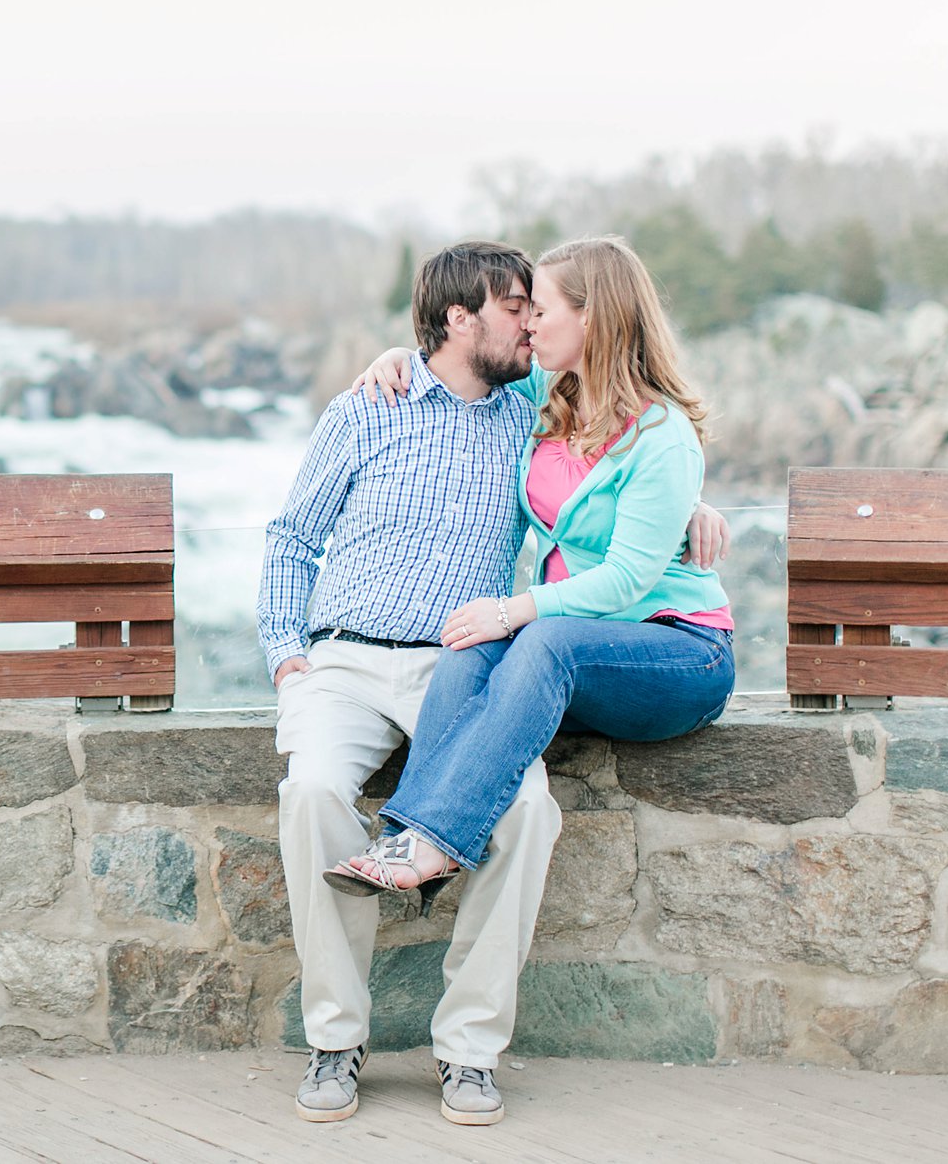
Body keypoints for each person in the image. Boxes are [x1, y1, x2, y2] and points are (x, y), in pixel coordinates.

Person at [258, 239, 726, 1129]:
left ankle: (469, 1051)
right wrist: (287, 654)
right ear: (458, 319)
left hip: (465, 658)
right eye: (515, 306)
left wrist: (694, 507)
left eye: (535, 305)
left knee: (526, 812)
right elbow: (291, 539)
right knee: (313, 792)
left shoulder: (530, 411)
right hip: (345, 660)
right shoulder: (368, 406)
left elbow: (618, 458)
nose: (531, 320)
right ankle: (335, 1039)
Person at [326, 235, 736, 914]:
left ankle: (433, 842)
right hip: (585, 644)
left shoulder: (662, 435)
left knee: (537, 636)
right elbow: (464, 365)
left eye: (540, 310)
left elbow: (628, 580)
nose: (529, 324)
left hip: (679, 650)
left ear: (594, 317)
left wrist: (515, 608)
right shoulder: (554, 390)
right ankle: (402, 842)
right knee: (474, 641)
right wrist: (399, 357)